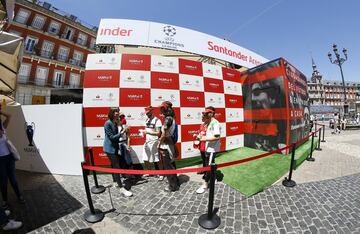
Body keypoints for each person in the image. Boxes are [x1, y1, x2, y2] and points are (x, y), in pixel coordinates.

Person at [103, 108, 133, 197]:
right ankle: (121, 188)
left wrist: (125, 128)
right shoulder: (108, 123)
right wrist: (122, 132)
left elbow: (122, 125)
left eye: (117, 112)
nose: (117, 113)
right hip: (110, 149)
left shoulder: (115, 122)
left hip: (114, 148)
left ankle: (115, 182)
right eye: (115, 112)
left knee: (113, 166)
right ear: (111, 113)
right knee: (116, 167)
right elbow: (112, 137)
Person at [0, 109, 25, 209]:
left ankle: (19, 196)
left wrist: (1, 111)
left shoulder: (2, 126)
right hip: (0, 160)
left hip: (9, 157)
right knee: (3, 181)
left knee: (13, 179)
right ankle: (5, 201)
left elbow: (9, 116)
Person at [196, 107, 221, 194]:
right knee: (209, 164)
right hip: (208, 148)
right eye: (204, 113)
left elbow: (217, 137)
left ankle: (205, 185)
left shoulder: (215, 123)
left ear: (211, 114)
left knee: (208, 166)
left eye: (206, 113)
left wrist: (204, 139)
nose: (204, 115)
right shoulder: (210, 122)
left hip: (212, 149)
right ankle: (214, 178)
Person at [158, 101, 180, 192]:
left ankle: (172, 186)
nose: (161, 110)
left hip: (166, 145)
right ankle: (175, 181)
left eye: (162, 108)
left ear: (167, 108)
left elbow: (164, 134)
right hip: (169, 144)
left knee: (168, 166)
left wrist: (159, 143)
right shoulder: (171, 118)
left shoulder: (168, 119)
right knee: (172, 164)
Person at [141, 106, 163, 180]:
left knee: (157, 159)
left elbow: (159, 133)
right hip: (147, 142)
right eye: (146, 113)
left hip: (154, 142)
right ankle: (149, 172)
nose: (146, 114)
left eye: (148, 113)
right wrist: (143, 132)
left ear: (152, 111)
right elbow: (146, 129)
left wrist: (148, 132)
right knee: (145, 158)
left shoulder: (157, 120)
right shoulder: (147, 120)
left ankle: (161, 174)